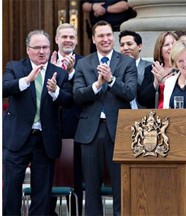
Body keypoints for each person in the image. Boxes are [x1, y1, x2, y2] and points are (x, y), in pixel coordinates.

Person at [3, 30, 73, 215]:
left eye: (45, 47)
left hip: (45, 140)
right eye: (37, 48)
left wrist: (55, 91)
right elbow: (4, 88)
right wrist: (27, 80)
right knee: (11, 191)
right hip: (17, 140)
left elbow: (68, 100)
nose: (42, 51)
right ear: (28, 50)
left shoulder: (59, 73)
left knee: (42, 195)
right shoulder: (15, 67)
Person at [73, 20, 137, 215]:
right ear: (93, 39)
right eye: (100, 35)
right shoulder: (83, 63)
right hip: (90, 132)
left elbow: (130, 92)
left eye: (109, 35)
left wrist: (111, 80)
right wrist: (97, 86)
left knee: (120, 185)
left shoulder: (127, 61)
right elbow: (77, 95)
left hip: (118, 130)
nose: (106, 39)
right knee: (91, 187)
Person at [49, 23, 83, 216]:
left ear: (77, 40)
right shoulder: (47, 61)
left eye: (71, 37)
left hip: (75, 127)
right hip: (50, 127)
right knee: (49, 176)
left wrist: (70, 73)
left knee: (74, 177)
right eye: (64, 37)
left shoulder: (85, 63)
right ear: (56, 40)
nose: (68, 40)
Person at [138, 31, 178, 108]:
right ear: (159, 49)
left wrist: (164, 80)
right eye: (166, 45)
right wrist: (155, 83)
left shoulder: (183, 68)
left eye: (174, 44)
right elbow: (142, 100)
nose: (171, 47)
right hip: (156, 116)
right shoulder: (152, 69)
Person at [118, 30, 152, 108]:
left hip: (144, 113)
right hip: (121, 113)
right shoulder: (115, 68)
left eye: (129, 44)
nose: (125, 48)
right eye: (122, 45)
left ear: (139, 46)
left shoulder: (150, 67)